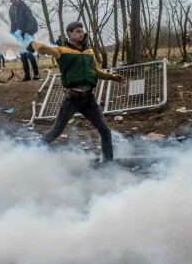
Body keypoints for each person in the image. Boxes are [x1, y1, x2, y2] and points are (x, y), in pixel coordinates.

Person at [31, 21, 126, 163]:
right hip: (72, 99)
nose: (81, 34)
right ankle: (31, 153)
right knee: (56, 131)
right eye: (77, 31)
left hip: (88, 99)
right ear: (69, 34)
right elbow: (44, 49)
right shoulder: (62, 51)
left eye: (82, 31)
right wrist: (32, 43)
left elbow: (96, 72)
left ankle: (108, 165)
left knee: (105, 131)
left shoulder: (89, 51)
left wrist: (112, 77)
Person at [9, 0, 40, 81]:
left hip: (27, 34)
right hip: (18, 35)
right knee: (23, 56)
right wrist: (12, 32)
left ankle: (37, 74)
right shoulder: (11, 10)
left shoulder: (24, 7)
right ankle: (27, 76)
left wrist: (28, 31)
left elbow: (31, 19)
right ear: (11, 0)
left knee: (29, 53)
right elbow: (13, 23)